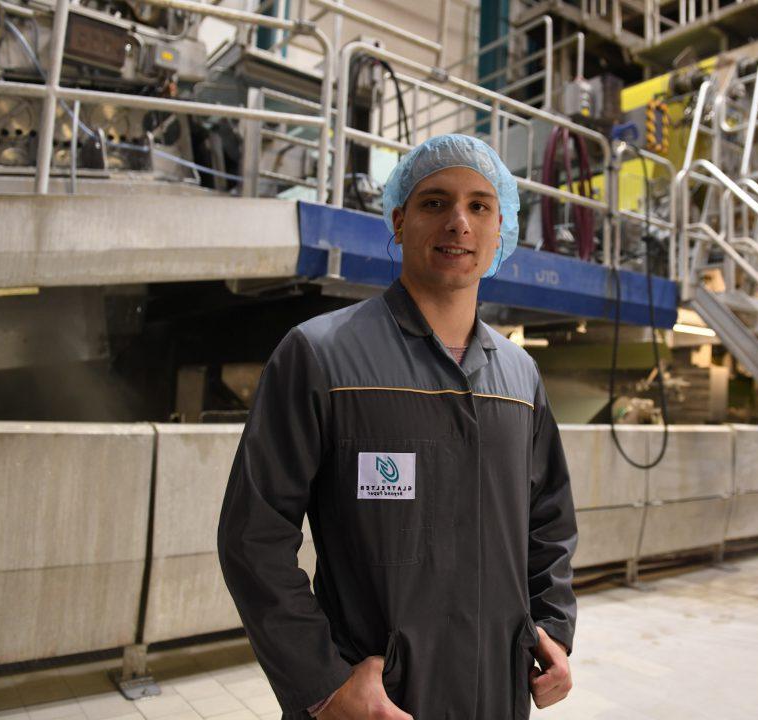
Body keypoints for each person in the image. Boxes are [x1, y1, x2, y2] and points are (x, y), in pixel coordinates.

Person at [218, 134, 577, 720]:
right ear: (398, 220)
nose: (458, 222)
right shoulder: (320, 355)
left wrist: (555, 630)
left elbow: (550, 521)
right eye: (435, 202)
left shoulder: (520, 375)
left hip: (497, 694)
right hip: (374, 704)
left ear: (499, 228)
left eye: (479, 206)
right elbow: (253, 536)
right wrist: (323, 685)